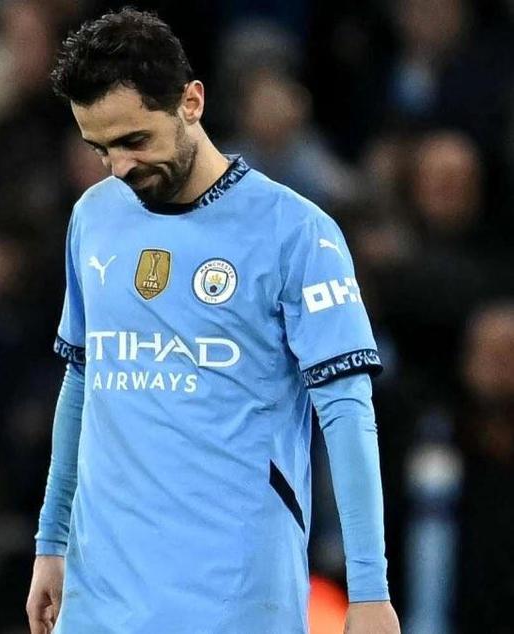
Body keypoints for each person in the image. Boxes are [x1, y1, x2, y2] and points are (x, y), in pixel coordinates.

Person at [26, 8, 400, 633]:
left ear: (191, 102)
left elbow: (346, 413)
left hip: (233, 592)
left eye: (135, 140)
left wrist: (369, 590)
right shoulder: (93, 217)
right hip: (100, 592)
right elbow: (83, 380)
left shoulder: (296, 232)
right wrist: (51, 542)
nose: (119, 167)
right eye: (100, 148)